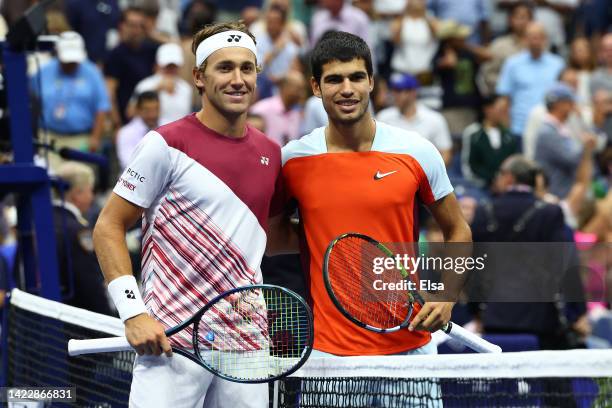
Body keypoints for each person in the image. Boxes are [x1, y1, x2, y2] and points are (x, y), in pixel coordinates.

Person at [93, 21, 282, 407]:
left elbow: (270, 237)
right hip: (170, 341)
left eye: (247, 68)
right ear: (198, 77)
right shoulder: (165, 144)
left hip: (245, 346)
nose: (238, 79)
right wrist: (133, 312)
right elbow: (108, 225)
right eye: (224, 67)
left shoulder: (271, 152)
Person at [268, 31, 471, 359]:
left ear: (372, 82)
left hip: (411, 353)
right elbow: (274, 240)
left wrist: (446, 297)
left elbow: (458, 229)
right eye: (334, 79)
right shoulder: (293, 159)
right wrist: (331, 246)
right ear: (316, 87)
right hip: (328, 357)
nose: (347, 89)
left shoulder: (417, 151)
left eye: (356, 77)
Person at [31, 31, 110, 169]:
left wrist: (95, 137)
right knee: (51, 180)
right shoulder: (44, 71)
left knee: (80, 181)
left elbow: (102, 106)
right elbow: (30, 101)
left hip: (80, 138)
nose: (70, 64)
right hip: (50, 137)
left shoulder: (92, 72)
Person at [53, 162, 112, 316]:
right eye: (89, 190)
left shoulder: (40, 224)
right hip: (74, 318)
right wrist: (108, 318)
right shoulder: (77, 230)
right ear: (77, 194)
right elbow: (89, 283)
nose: (92, 196)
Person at [376, 73, 452, 166]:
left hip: (424, 173)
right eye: (394, 90)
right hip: (391, 171)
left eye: (400, 91)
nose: (395, 95)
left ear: (413, 93)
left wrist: (430, 173)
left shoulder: (434, 119)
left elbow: (446, 153)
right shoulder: (384, 117)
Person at [131, 42, 192, 125]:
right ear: (158, 65)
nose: (171, 70)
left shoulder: (186, 88)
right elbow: (130, 113)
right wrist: (156, 89)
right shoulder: (144, 85)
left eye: (174, 66)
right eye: (167, 66)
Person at [116, 91, 160, 170]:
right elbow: (128, 163)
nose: (152, 115)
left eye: (155, 109)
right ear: (138, 110)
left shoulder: (167, 128)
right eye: (147, 110)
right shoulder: (126, 132)